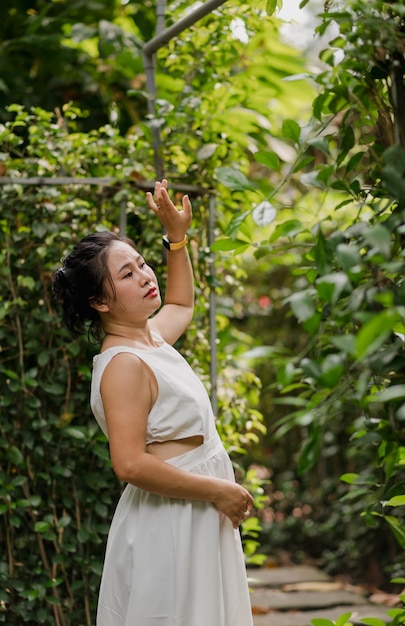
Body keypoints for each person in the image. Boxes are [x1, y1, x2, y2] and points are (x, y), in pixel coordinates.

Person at [52, 179, 254, 626]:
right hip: (172, 518)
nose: (145, 276)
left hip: (195, 512)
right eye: (127, 275)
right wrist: (218, 490)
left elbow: (181, 301)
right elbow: (129, 465)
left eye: (142, 264)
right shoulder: (123, 363)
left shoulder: (151, 340)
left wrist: (176, 239)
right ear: (100, 302)